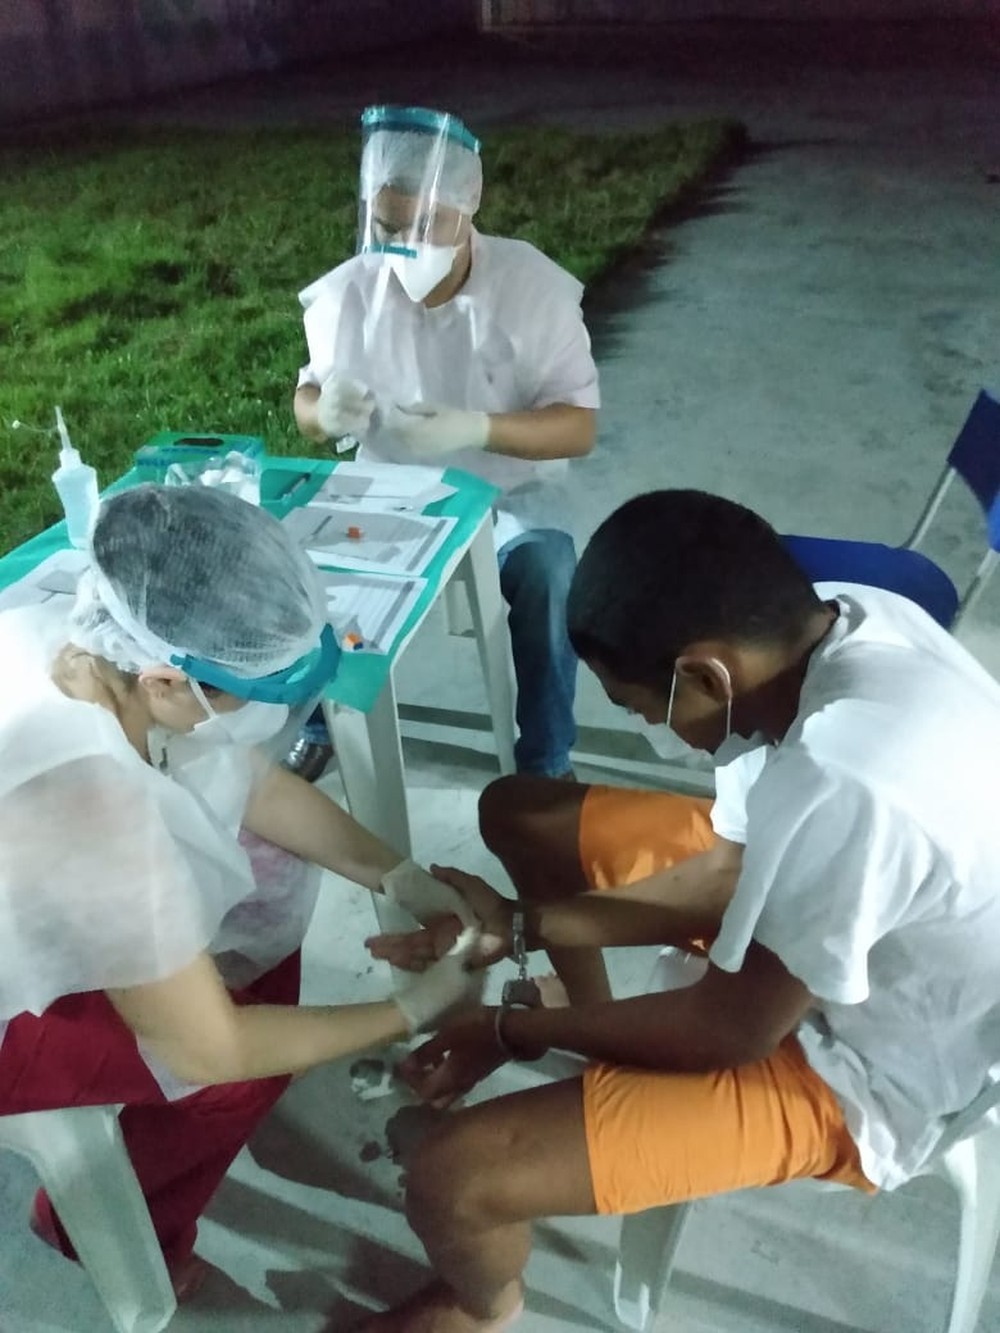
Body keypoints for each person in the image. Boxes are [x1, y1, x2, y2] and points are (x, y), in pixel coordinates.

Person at [359, 488, 1000, 1332]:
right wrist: (518, 927)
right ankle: (605, 1030)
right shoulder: (846, 621)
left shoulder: (846, 776)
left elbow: (732, 1029)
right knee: (522, 813)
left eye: (638, 704)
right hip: (843, 912)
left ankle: (478, 1309)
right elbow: (732, 868)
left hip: (873, 1055)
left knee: (452, 1178)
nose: (645, 724)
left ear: (705, 673)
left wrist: (511, 1030)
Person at [0, 483, 486, 1299]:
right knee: (235, 1075)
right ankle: (96, 1226)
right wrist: (411, 1007)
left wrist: (402, 877)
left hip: (54, 876)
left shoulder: (90, 638)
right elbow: (210, 1049)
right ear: (165, 683)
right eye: (251, 695)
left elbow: (250, 781)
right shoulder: (92, 806)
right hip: (12, 1014)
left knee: (264, 936)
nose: (266, 717)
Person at [288, 103, 599, 782]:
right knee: (307, 570)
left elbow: (578, 425)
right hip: (389, 488)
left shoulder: (531, 291)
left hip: (507, 490)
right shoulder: (352, 292)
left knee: (549, 573)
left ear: (469, 204)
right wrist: (324, 413)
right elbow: (306, 399)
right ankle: (320, 720)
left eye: (427, 225)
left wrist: (479, 428)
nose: (406, 246)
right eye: (388, 227)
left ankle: (547, 757)